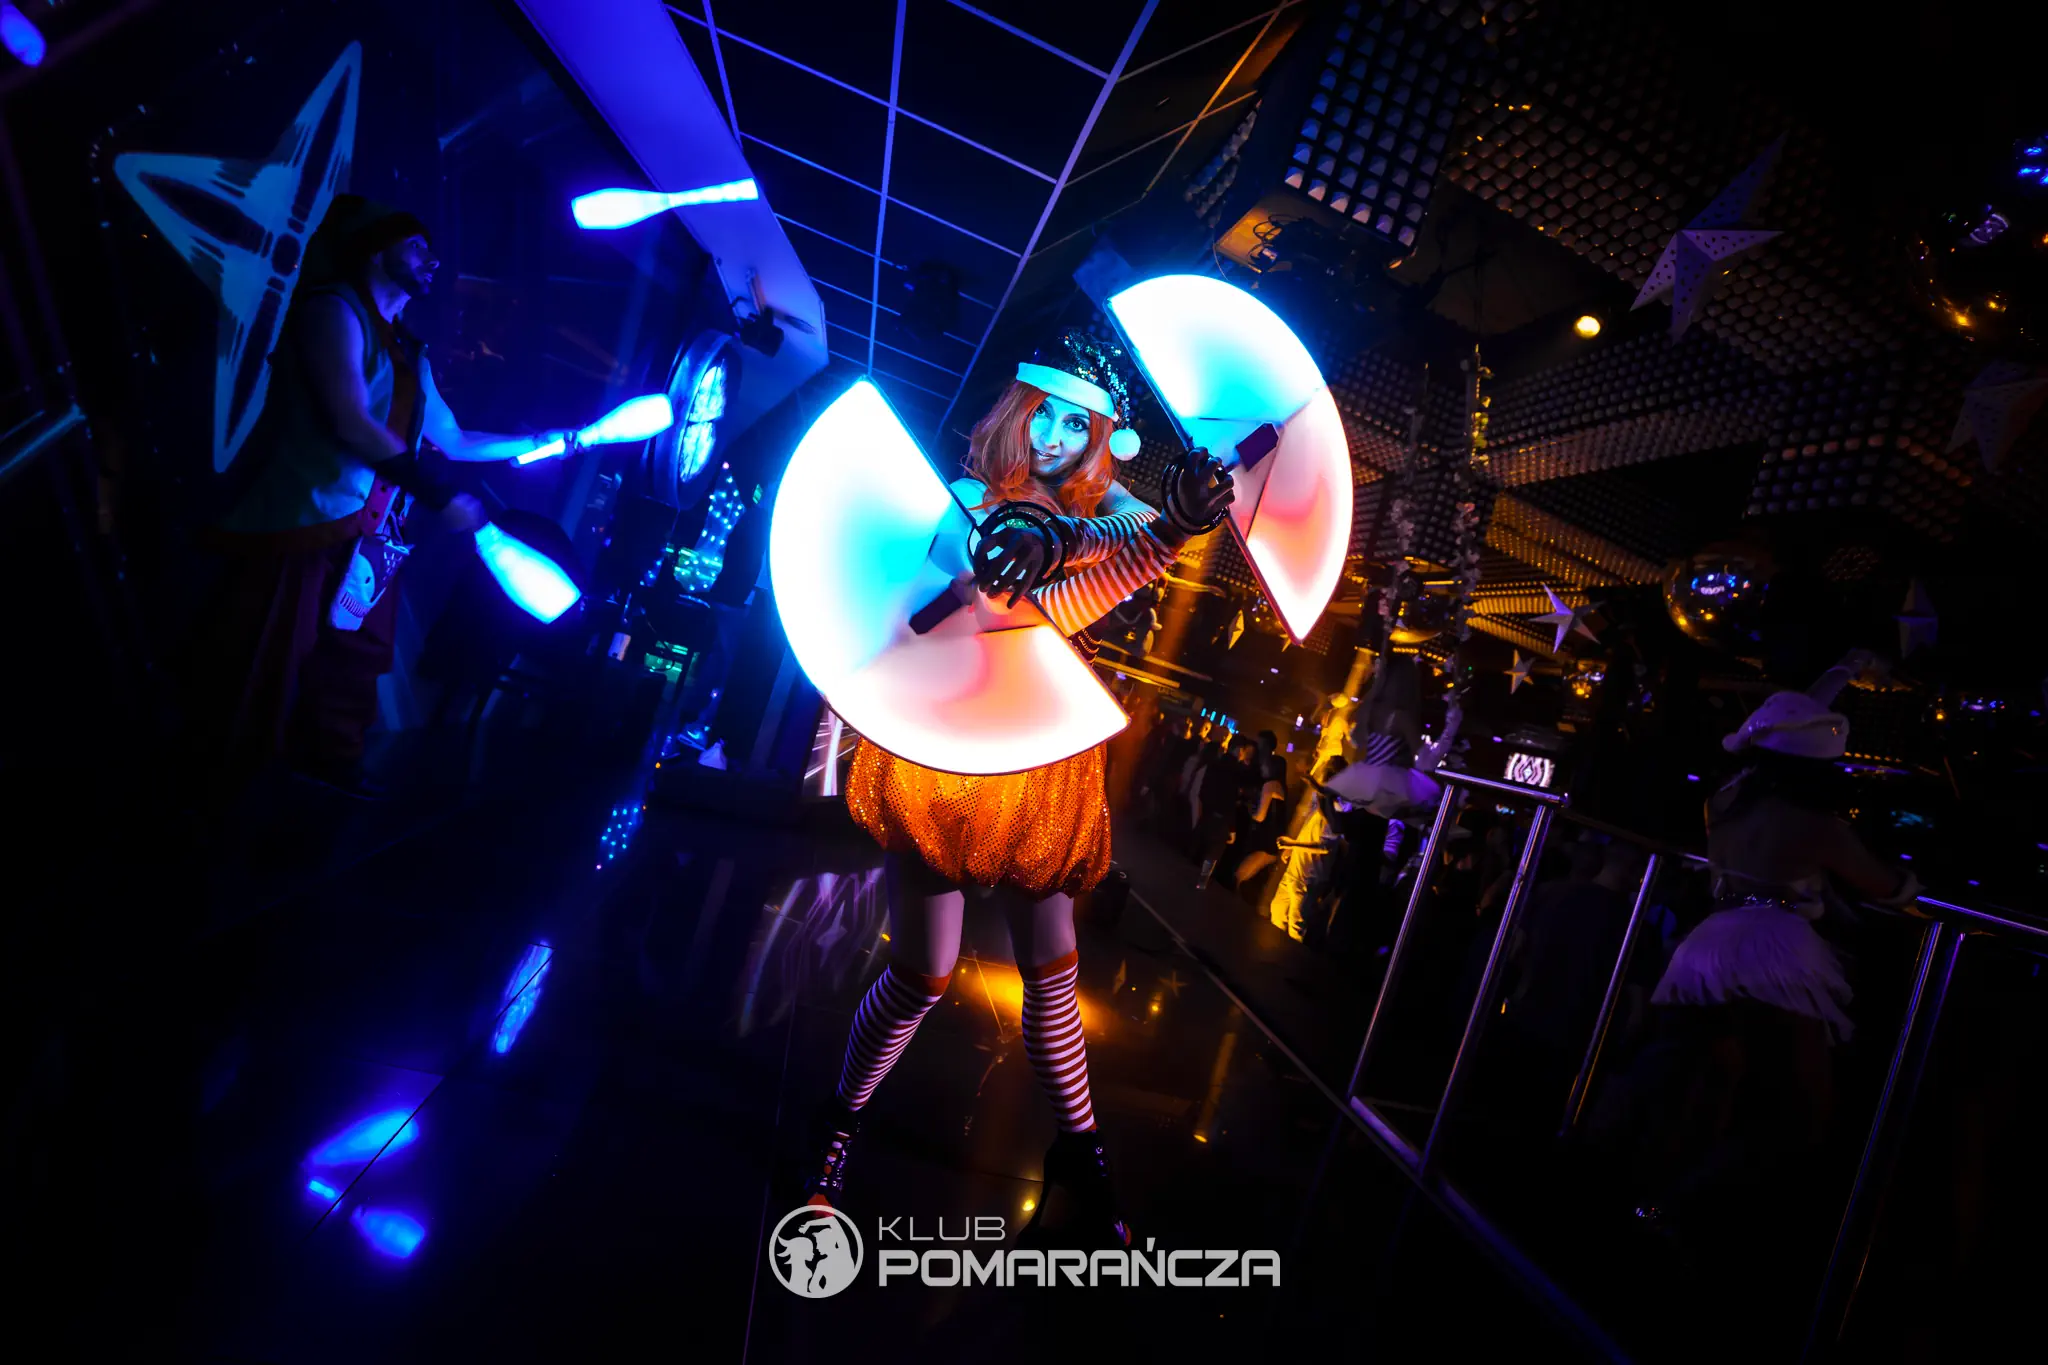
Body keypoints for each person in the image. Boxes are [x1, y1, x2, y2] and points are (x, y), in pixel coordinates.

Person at [800, 332, 1235, 1244]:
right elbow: (1036, 613)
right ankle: (839, 1119)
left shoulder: (1104, 508)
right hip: (952, 743)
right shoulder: (966, 503)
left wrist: (1148, 526)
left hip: (1041, 752)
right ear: (1020, 410)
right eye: (1047, 415)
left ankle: (1082, 1154)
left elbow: (1119, 542)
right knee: (923, 971)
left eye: (1080, 425)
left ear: (1099, 436)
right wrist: (1090, 543)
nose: (1057, 438)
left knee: (1054, 971)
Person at [186, 196, 579, 800]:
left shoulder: (409, 351)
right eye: (417, 247)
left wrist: (547, 440)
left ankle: (327, 760)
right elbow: (350, 418)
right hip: (310, 515)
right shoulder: (333, 309)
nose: (433, 261)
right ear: (376, 250)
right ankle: (223, 777)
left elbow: (452, 438)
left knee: (357, 652)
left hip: (373, 533)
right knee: (270, 648)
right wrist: (434, 493)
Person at [1633, 656, 1918, 1236]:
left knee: (1706, 1089)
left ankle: (1657, 1208)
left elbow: (1783, 724)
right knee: (1800, 1117)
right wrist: (1917, 890)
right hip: (1772, 953)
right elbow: (1888, 887)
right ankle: (1681, 1215)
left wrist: (1840, 672)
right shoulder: (1819, 828)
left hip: (1710, 942)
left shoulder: (1724, 801)